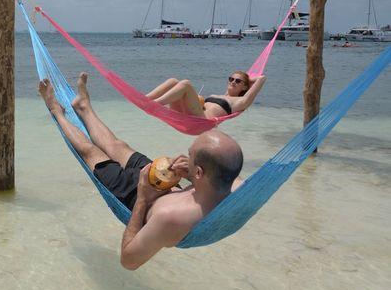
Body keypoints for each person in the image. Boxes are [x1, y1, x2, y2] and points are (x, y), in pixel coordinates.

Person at [38, 73, 243, 270]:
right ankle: (83, 107)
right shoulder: (234, 184)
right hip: (165, 181)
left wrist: (143, 197)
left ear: (200, 173)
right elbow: (228, 174)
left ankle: (56, 110)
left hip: (136, 195)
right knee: (117, 146)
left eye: (190, 156)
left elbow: (129, 261)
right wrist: (188, 173)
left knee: (90, 152)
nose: (185, 157)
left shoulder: (170, 217)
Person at [146, 70, 266, 118]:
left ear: (245, 86)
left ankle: (155, 104)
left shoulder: (241, 102)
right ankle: (146, 99)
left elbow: (262, 78)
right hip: (188, 114)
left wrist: (248, 81)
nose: (233, 82)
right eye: (231, 79)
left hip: (201, 120)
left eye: (238, 81)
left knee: (186, 84)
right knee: (174, 81)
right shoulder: (219, 95)